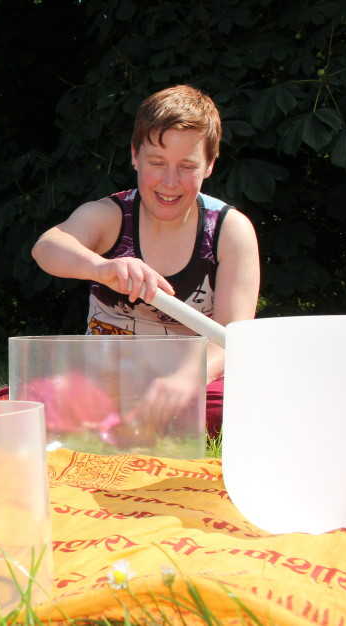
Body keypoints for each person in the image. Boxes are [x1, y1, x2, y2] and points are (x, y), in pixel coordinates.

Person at [31, 84, 260, 437]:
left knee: (243, 410)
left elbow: (232, 337)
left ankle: (135, 421)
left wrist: (186, 381)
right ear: (135, 155)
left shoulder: (231, 230)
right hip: (106, 376)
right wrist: (103, 267)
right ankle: (123, 419)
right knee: (22, 404)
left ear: (210, 166)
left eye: (187, 166)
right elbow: (47, 247)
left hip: (194, 380)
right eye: (156, 162)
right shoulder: (110, 214)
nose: (170, 182)